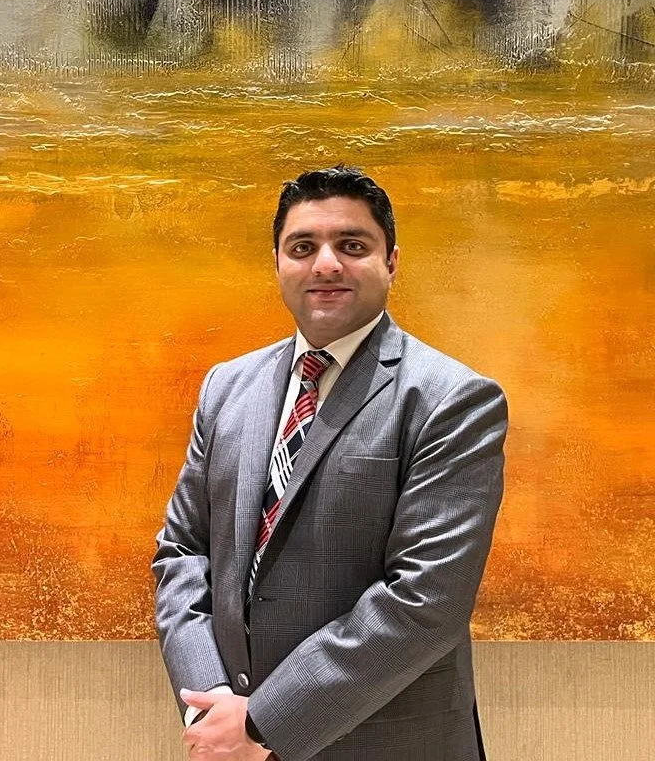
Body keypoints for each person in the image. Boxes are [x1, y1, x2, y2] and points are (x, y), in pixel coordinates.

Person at [152, 165, 507, 761]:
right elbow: (182, 552)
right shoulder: (226, 387)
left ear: (391, 261)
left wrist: (262, 723)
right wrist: (212, 706)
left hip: (389, 746)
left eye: (352, 245)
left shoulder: (452, 399)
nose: (325, 264)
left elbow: (426, 600)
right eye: (302, 247)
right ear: (277, 263)